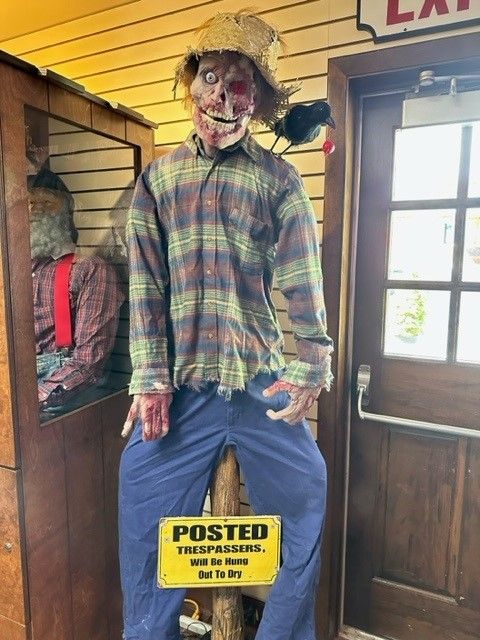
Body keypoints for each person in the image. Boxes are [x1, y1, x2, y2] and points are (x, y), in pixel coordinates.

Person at [119, 11, 333, 640]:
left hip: (259, 382)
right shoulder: (157, 182)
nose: (221, 97)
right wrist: (149, 378)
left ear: (258, 101)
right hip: (181, 390)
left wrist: (312, 364)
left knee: (308, 492)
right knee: (139, 493)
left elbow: (302, 278)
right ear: (191, 83)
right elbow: (146, 288)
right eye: (210, 77)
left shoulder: (279, 181)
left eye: (239, 84)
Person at [29, 167, 124, 410]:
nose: (35, 210)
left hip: (61, 396)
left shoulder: (89, 270)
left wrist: (30, 402)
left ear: (67, 212)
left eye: (47, 202)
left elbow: (89, 363)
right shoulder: (16, 273)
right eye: (30, 203)